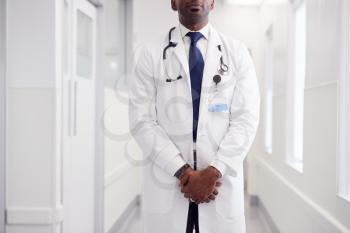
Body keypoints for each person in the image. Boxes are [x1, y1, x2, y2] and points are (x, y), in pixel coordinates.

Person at [128, 0, 260, 232]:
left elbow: (246, 120)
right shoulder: (151, 54)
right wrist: (183, 172)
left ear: (212, 3)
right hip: (170, 181)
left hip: (219, 184)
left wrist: (214, 171)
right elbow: (142, 121)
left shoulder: (236, 52)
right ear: (173, 3)